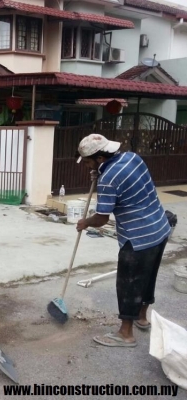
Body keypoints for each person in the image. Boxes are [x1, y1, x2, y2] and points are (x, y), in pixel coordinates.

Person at [75, 133, 171, 348]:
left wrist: (85, 223)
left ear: (100, 159)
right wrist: (98, 174)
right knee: (147, 278)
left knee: (128, 284)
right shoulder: (132, 157)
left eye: (89, 162)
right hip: (159, 228)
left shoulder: (108, 180)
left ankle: (125, 334)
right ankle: (142, 318)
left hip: (137, 237)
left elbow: (101, 219)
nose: (87, 166)